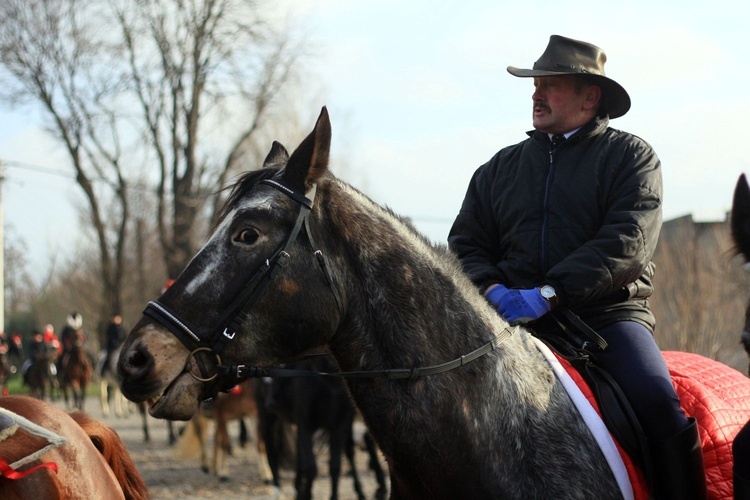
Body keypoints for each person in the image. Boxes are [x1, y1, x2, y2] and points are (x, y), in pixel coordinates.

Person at [448, 35, 704, 499]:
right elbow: (466, 242)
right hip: (507, 319)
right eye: (534, 84)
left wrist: (550, 293)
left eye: (550, 84)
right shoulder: (497, 169)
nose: (535, 94)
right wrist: (489, 290)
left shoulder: (632, 158)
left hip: (605, 319)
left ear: (591, 96)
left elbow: (629, 242)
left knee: (657, 403)